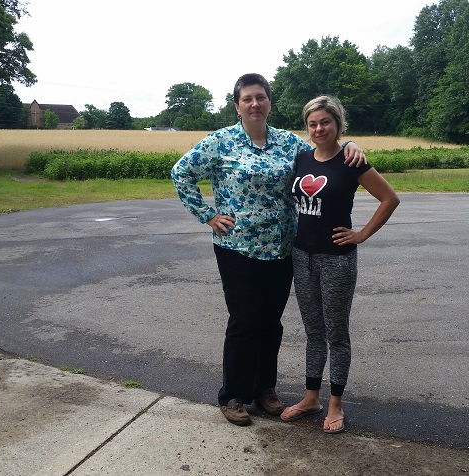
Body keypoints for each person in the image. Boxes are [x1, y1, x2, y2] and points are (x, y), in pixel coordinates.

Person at [170, 74, 368, 426]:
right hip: (237, 247)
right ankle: (233, 395)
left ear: (269, 102)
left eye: (261, 97)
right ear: (237, 105)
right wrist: (208, 215)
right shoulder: (221, 141)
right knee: (245, 320)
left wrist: (351, 142)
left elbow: (324, 153)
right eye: (247, 98)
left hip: (281, 247)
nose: (255, 104)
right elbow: (181, 172)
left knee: (271, 323)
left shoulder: (286, 143)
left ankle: (265, 391)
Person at [280, 95, 399, 434]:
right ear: (308, 127)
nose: (319, 128)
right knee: (313, 333)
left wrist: (361, 235)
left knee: (337, 333)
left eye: (325, 122)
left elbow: (390, 199)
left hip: (337, 260)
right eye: (313, 123)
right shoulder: (301, 159)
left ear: (338, 124)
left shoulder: (351, 161)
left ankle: (335, 402)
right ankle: (311, 398)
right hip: (301, 256)